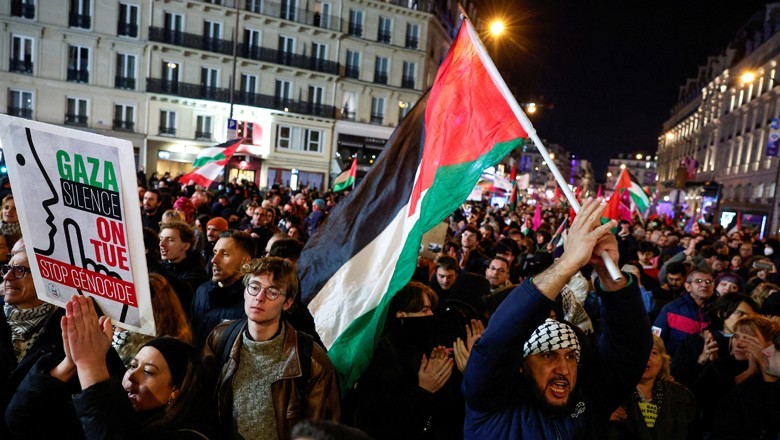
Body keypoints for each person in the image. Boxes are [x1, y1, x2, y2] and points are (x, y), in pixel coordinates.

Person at [463, 198, 653, 439]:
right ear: (521, 364)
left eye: (571, 356)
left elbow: (629, 347)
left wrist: (607, 272)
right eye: (548, 355)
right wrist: (567, 263)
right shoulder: (489, 401)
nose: (563, 368)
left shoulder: (590, 398)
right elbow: (499, 342)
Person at [5, 295, 208, 438]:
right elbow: (20, 421)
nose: (132, 376)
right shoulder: (109, 406)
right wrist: (69, 364)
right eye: (133, 365)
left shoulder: (187, 434)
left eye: (148, 372)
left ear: (176, 390)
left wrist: (90, 366)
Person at [203, 257, 340, 439]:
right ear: (245, 292)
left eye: (272, 292)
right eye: (254, 287)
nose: (259, 298)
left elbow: (320, 430)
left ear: (288, 303)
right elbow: (201, 404)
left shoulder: (311, 359)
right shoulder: (220, 338)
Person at [353, 281, 465, 439]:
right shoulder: (381, 357)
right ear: (401, 315)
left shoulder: (422, 348)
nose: (431, 316)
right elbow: (379, 421)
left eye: (430, 310)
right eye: (424, 310)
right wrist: (423, 391)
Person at [0, 251, 64, 436]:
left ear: (46, 277)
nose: (7, 276)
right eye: (7, 268)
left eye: (20, 270)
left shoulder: (65, 326)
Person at [608, 335, 696, 440]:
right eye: (640, 351)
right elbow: (584, 414)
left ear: (663, 360)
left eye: (654, 352)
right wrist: (600, 418)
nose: (646, 357)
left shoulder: (681, 395)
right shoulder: (610, 392)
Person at [710, 315, 780, 439]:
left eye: (748, 339)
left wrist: (764, 368)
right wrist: (748, 375)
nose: (739, 343)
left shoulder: (774, 372)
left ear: (769, 344)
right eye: (736, 336)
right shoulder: (719, 367)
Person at [190, 230, 256, 346]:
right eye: (215, 252)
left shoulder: (252, 301)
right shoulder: (202, 291)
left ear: (245, 261)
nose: (214, 260)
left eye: (225, 254)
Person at [653, 269, 716, 356]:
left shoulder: (718, 311)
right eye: (699, 281)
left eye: (709, 282)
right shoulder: (671, 309)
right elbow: (656, 340)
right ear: (688, 286)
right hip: (675, 363)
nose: (704, 285)